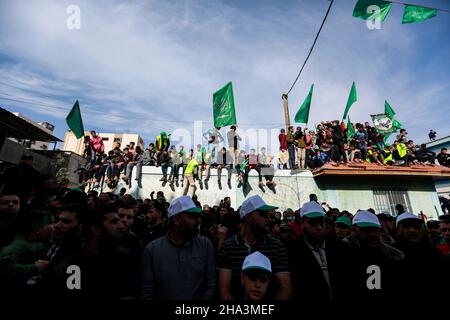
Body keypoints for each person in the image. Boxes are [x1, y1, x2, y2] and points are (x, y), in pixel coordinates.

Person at [141, 196, 216, 300]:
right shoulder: (152, 249)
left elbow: (211, 284)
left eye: (198, 216)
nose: (198, 221)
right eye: (193, 217)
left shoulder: (205, 245)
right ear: (176, 220)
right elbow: (147, 291)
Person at [217, 195, 292, 300]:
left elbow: (285, 288)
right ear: (248, 217)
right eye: (262, 215)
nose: (268, 219)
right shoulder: (228, 246)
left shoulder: (276, 246)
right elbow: (224, 290)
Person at [287, 201, 353, 304]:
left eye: (321, 222)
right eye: (312, 223)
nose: (318, 227)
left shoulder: (340, 248)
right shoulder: (291, 251)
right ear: (302, 223)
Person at [343, 211, 404, 301]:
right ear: (354, 230)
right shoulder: (343, 252)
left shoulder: (391, 253)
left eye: (375, 230)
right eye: (367, 230)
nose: (373, 234)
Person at [394, 213, 445, 299]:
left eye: (416, 227)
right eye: (406, 227)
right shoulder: (392, 253)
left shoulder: (434, 252)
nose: (412, 230)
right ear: (399, 230)